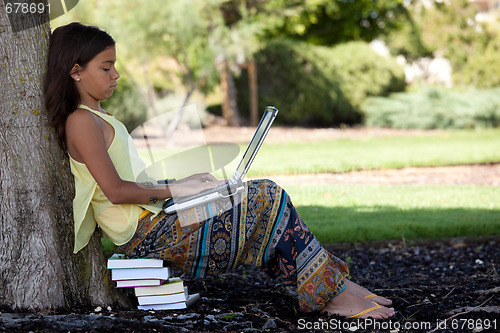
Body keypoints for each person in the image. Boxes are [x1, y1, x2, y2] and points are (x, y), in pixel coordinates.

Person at [44, 22, 395, 319]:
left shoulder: (101, 117)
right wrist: (177, 189)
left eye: (114, 65)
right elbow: (117, 191)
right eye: (106, 67)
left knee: (254, 197)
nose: (116, 74)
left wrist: (188, 184)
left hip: (162, 218)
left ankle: (335, 286)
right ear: (76, 71)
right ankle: (332, 294)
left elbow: (131, 183)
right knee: (266, 198)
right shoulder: (81, 121)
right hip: (148, 235)